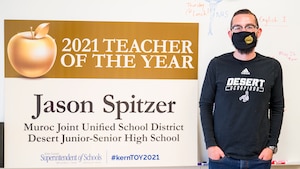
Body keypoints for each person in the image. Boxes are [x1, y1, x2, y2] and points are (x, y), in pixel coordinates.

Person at [199, 9, 284, 169]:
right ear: (230, 34)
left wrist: (271, 146)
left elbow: (277, 108)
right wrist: (210, 145)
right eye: (238, 28)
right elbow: (205, 104)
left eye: (249, 27)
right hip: (222, 157)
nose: (244, 31)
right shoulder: (217, 65)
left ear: (258, 32)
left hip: (259, 158)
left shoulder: (272, 67)